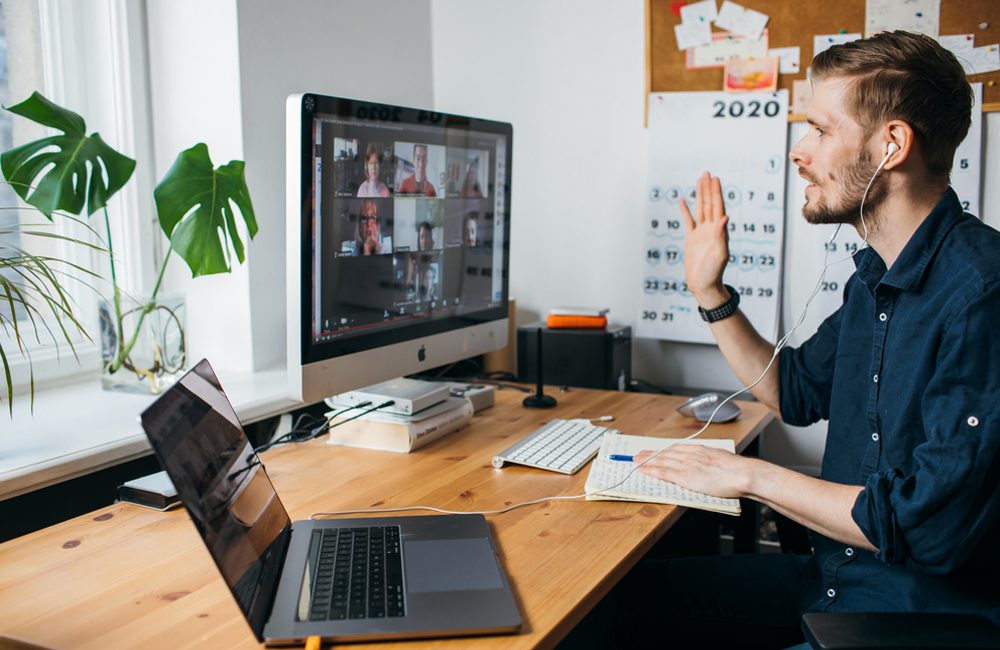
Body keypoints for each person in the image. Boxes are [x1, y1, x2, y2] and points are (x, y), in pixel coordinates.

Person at [613, 31, 1000, 649]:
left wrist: (748, 478)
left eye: (820, 130)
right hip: (832, 580)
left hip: (911, 619)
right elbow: (791, 391)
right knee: (613, 606)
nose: (800, 151)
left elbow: (929, 528)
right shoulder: (872, 276)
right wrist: (710, 291)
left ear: (892, 145)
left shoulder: (982, 292)